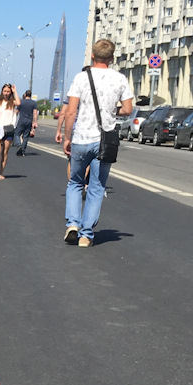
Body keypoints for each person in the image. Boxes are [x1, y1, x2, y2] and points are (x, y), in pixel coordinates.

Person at [61, 37, 133, 247]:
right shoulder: (120, 79)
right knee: (96, 187)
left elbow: (71, 111)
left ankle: (72, 224)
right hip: (104, 141)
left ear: (92, 55)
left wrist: (67, 137)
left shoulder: (81, 78)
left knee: (75, 183)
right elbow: (128, 110)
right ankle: (86, 235)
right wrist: (111, 111)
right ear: (111, 58)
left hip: (81, 139)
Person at [0, 83, 20, 179]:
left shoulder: (13, 103)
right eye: (5, 91)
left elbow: (19, 103)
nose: (6, 93)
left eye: (8, 91)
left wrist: (15, 91)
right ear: (2, 92)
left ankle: (1, 172)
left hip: (9, 129)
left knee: (5, 152)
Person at [14, 87, 38, 155]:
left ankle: (19, 145)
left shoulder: (21, 102)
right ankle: (23, 151)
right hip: (29, 121)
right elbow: (35, 113)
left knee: (17, 134)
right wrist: (35, 122)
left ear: (25, 95)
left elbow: (16, 112)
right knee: (26, 136)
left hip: (21, 120)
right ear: (30, 95)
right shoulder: (34, 103)